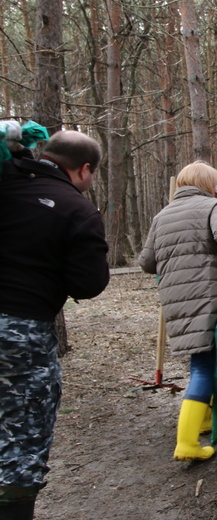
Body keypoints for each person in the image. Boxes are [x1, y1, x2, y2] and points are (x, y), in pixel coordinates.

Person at [0, 130, 110, 519]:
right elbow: (88, 283)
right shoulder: (75, 208)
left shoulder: (5, 179)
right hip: (20, 334)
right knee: (21, 434)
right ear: (83, 169)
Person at [140, 161, 217, 462]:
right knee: (205, 367)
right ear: (207, 185)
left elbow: (147, 262)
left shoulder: (162, 215)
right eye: (216, 184)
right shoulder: (211, 206)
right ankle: (187, 443)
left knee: (202, 359)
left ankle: (204, 419)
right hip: (208, 292)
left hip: (176, 298)